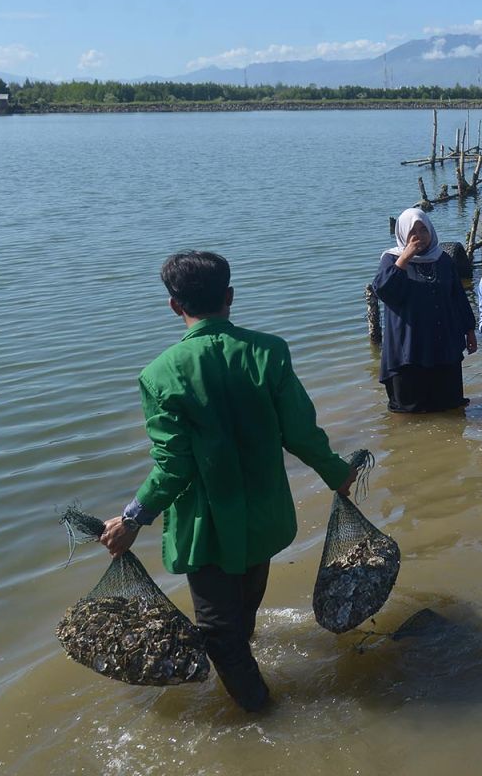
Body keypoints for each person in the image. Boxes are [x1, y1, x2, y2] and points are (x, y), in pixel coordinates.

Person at [100, 251, 356, 712]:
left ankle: (266, 718)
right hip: (264, 518)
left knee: (220, 635)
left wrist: (133, 518)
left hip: (210, 530)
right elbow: (301, 433)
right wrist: (338, 474)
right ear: (230, 297)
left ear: (174, 306)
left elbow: (174, 465)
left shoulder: (159, 375)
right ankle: (251, 679)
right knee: (241, 619)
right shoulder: (269, 352)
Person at [373, 207, 477, 412]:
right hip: (409, 347)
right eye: (413, 232)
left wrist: (470, 330)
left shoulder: (443, 259)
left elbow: (458, 298)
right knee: (409, 411)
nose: (418, 236)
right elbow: (383, 291)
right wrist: (405, 257)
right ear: (403, 233)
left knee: (449, 407)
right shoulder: (392, 260)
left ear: (431, 231)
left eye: (423, 230)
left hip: (444, 344)